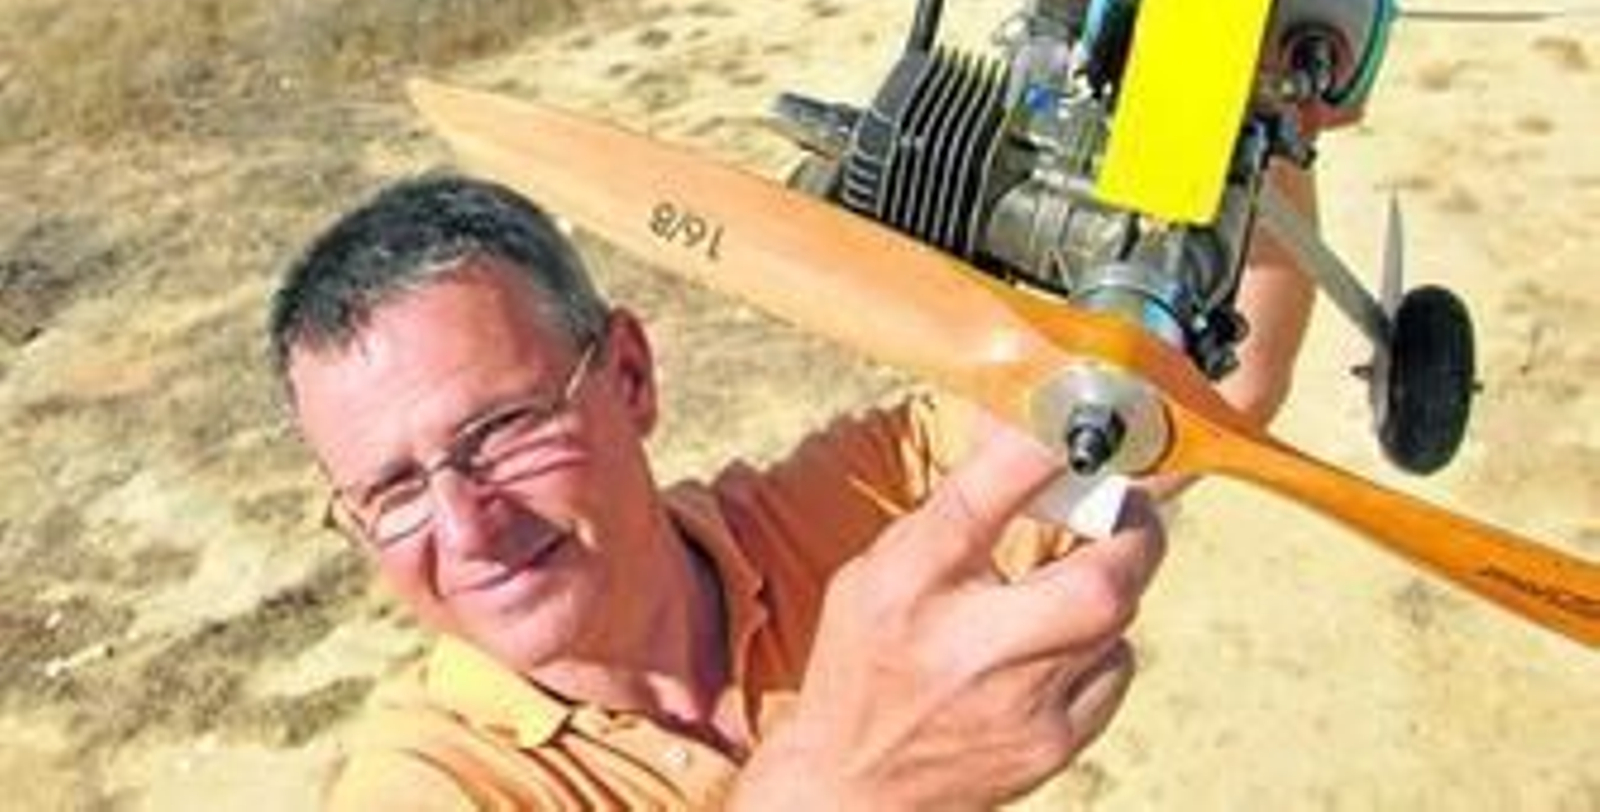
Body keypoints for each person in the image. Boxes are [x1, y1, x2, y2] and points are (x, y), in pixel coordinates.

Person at [270, 167, 1308, 808]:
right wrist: (848, 789)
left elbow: (1192, 393)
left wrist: (1271, 110)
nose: (465, 526)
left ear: (629, 376)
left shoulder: (851, 508)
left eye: (499, 431)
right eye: (391, 490)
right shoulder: (433, 783)